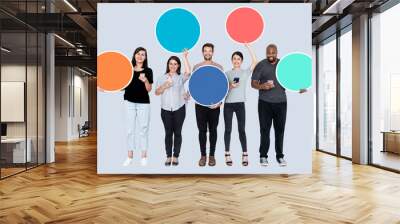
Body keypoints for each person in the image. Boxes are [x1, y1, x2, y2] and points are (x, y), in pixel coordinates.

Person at [251, 44, 306, 167]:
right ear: (266, 53)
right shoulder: (261, 65)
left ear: (277, 52)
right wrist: (262, 86)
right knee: (264, 130)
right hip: (264, 103)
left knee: (280, 131)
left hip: (281, 103)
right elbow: (253, 83)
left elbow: (291, 80)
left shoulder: (283, 65)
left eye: (273, 53)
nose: (271, 55)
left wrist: (299, 88)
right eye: (268, 53)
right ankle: (263, 156)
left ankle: (280, 156)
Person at [155, 50, 191, 166]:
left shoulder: (180, 78)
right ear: (168, 65)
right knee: (168, 133)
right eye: (171, 63)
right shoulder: (162, 77)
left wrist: (185, 57)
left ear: (178, 66)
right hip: (165, 110)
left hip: (179, 109)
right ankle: (168, 156)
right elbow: (157, 92)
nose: (173, 66)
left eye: (175, 64)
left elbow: (189, 72)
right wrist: (165, 85)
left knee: (178, 133)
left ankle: (175, 156)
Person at [223, 43, 257, 166]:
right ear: (231, 60)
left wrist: (248, 47)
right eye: (234, 59)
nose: (236, 61)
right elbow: (222, 90)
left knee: (241, 129)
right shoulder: (226, 74)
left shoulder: (245, 72)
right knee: (228, 130)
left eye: (238, 59)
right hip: (228, 104)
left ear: (241, 61)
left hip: (240, 104)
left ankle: (245, 154)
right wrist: (230, 86)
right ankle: (227, 154)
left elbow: (255, 61)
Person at [193, 43, 223, 167]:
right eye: (205, 51)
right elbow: (193, 85)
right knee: (201, 131)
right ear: (202, 52)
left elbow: (222, 86)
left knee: (213, 130)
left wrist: (220, 102)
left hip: (214, 105)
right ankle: (203, 156)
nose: (207, 53)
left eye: (209, 51)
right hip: (200, 104)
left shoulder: (218, 67)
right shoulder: (197, 67)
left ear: (213, 52)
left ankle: (212, 156)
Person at [123, 47, 153, 167]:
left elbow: (149, 89)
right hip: (129, 102)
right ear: (134, 55)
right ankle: (130, 156)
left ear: (145, 57)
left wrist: (145, 80)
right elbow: (121, 85)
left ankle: (144, 156)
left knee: (143, 129)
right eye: (138, 54)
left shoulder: (148, 70)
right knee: (130, 130)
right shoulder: (127, 69)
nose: (140, 56)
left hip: (143, 103)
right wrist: (106, 88)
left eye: (143, 55)